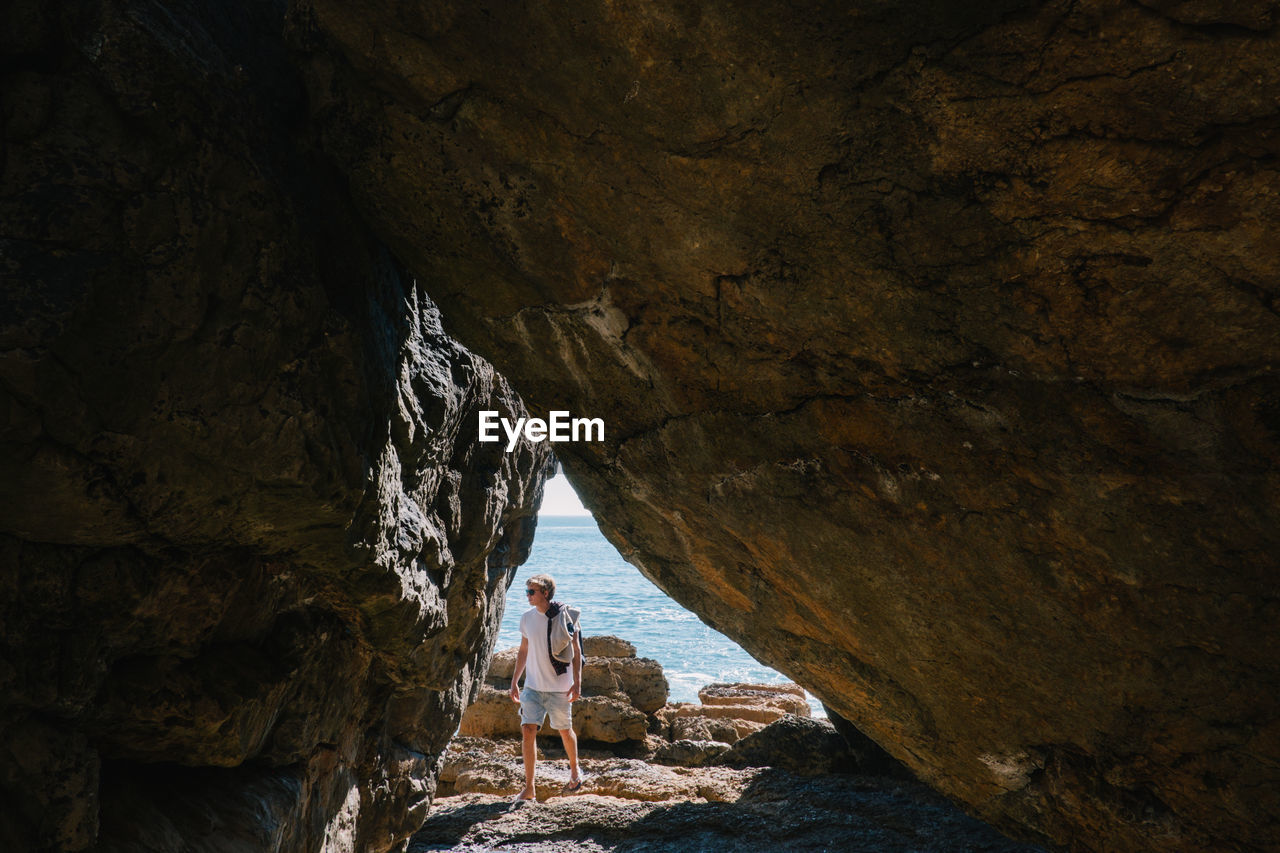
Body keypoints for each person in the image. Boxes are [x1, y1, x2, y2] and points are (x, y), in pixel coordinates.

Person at [508, 572, 583, 802]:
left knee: (564, 731)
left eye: (532, 592)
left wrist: (577, 683)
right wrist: (514, 682)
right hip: (532, 687)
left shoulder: (566, 616)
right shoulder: (526, 618)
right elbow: (523, 651)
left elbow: (577, 652)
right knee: (528, 731)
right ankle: (529, 787)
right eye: (527, 591)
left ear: (546, 593)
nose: (528, 595)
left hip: (559, 688)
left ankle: (574, 771)